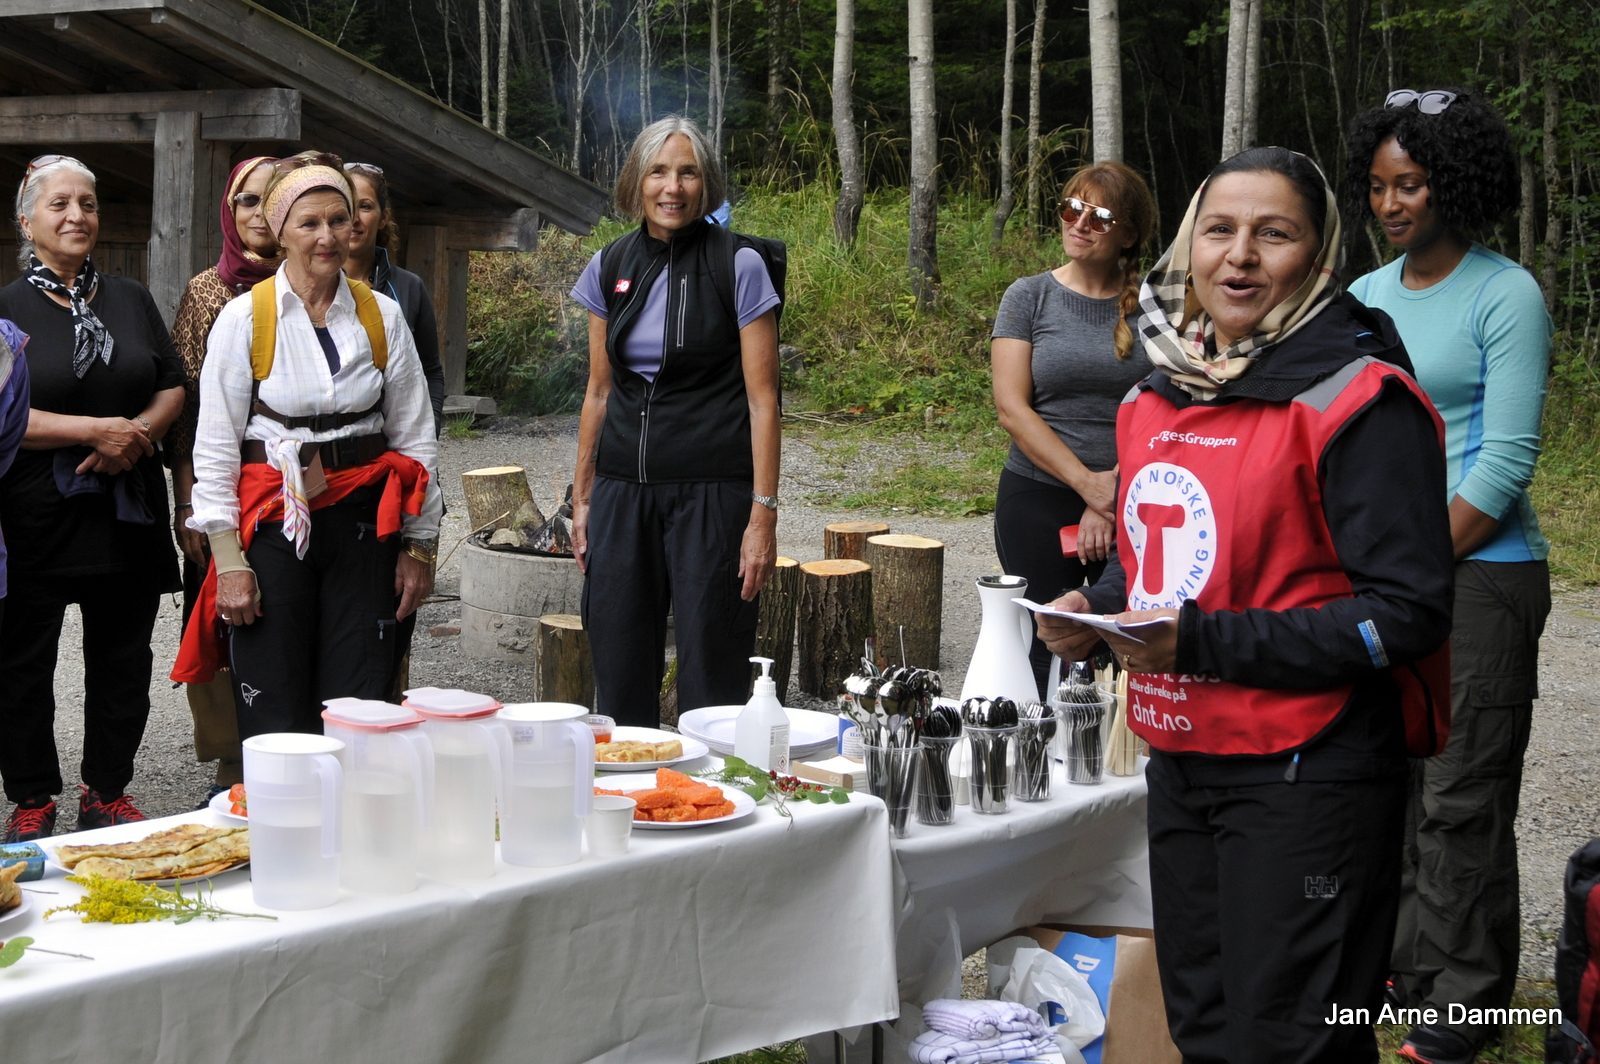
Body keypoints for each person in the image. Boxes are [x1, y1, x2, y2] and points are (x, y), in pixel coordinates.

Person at [1036, 147, 1455, 1063]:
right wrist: (1096, 610)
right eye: (1219, 231)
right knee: (1207, 1026)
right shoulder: (1157, 392)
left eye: (1275, 234)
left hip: (1310, 774)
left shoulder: (1358, 399)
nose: (1240, 257)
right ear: (1188, 247)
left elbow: (1408, 613)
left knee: (1291, 1039)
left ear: (1319, 256)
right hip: (1183, 758)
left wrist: (1202, 639)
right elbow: (1157, 563)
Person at [1345, 88, 1552, 1064]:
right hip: (1387, 579)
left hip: (1482, 573)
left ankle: (1464, 1003)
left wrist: (1414, 566)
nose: (1392, 204)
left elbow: (1503, 463)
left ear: (1453, 184)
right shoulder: (1364, 299)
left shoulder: (1504, 293)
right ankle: (1403, 964)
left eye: (1412, 184)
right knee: (1389, 780)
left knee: (1461, 792)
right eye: (1379, 186)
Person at [173, 151, 441, 738]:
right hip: (275, 524)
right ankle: (281, 817)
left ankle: (351, 822)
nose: (327, 237)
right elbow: (215, 448)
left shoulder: (384, 317)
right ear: (279, 231)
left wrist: (419, 549)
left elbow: (416, 437)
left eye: (338, 220)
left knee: (359, 695)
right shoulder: (245, 319)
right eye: (309, 223)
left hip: (364, 523)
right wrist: (229, 564)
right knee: (274, 691)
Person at [569, 115, 781, 727]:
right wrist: (582, 501)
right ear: (637, 180)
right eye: (659, 171)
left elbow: (763, 401)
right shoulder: (609, 266)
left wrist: (761, 515)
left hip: (713, 494)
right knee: (619, 665)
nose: (673, 187)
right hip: (621, 494)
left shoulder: (738, 265)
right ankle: (635, 808)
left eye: (688, 172)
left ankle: (714, 808)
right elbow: (598, 393)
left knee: (711, 674)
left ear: (705, 183)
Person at [0, 155, 187, 842]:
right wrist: (92, 430)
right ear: (28, 220)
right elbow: (0, 412)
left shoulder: (130, 299)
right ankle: (31, 797)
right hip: (36, 515)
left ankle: (107, 790)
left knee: (123, 657)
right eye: (59, 205)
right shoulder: (5, 310)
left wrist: (136, 433)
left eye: (88, 203)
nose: (77, 216)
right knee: (21, 661)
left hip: (125, 511)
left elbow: (171, 382)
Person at [990, 162, 1156, 697]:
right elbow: (1013, 409)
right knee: (1046, 644)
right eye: (1072, 208)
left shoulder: (1156, 309)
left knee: (1125, 641)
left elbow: (1172, 410)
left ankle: (1116, 771)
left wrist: (1109, 496)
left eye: (1100, 216)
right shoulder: (1028, 296)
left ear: (1128, 233)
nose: (1081, 223)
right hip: (1037, 497)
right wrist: (1088, 485)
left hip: (1134, 499)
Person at [168, 155, 280, 799]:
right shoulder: (209, 292)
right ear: (229, 212)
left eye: (271, 199)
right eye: (246, 200)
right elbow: (187, 408)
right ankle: (229, 758)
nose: (259, 214)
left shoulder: (320, 288)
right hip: (218, 488)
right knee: (217, 618)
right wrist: (190, 504)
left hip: (287, 488)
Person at [341, 161, 446, 435]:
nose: (354, 218)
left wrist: (429, 428)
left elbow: (431, 370)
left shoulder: (409, 286)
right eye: (346, 205)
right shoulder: (312, 288)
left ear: (383, 216)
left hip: (403, 442)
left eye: (364, 206)